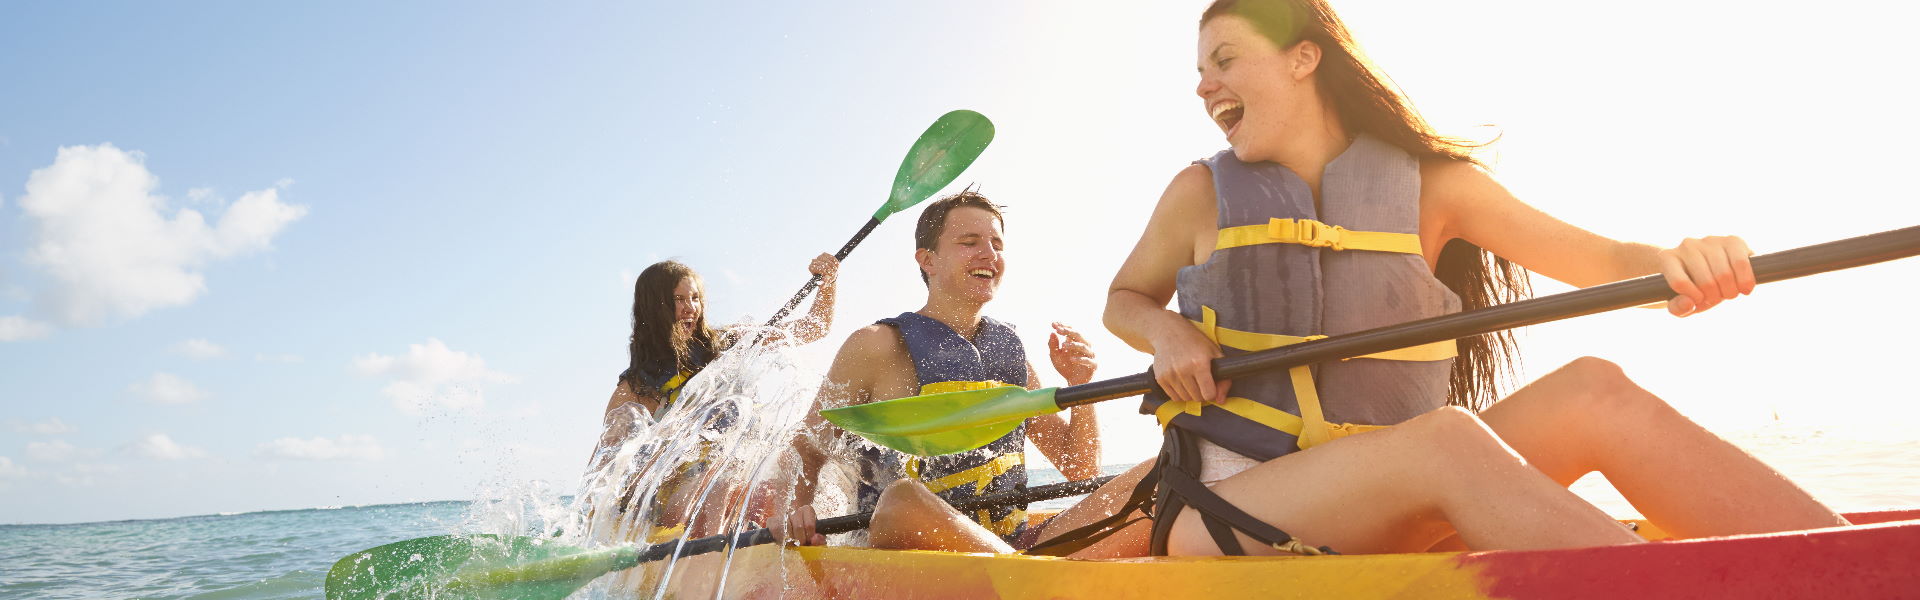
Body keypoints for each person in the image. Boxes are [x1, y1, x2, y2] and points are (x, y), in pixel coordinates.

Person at [1075, 0, 1850, 557]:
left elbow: (1609, 262)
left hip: (1403, 486)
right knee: (1446, 441)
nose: (1204, 86)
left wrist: (1680, 262)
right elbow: (1124, 298)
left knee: (1593, 391)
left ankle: (1857, 567)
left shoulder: (1432, 186)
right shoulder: (1199, 193)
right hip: (1232, 507)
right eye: (1200, 70)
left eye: (1224, 60)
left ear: (1303, 58)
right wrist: (1166, 332)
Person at [769, 190, 1105, 551]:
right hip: (911, 548)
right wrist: (795, 510)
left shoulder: (1013, 357)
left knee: (1145, 478)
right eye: (969, 242)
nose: (989, 254)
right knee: (902, 499)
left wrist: (1080, 385)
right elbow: (806, 446)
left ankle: (1017, 570)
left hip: (1010, 545)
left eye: (996, 244)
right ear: (928, 260)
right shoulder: (876, 345)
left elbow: (1081, 470)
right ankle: (1021, 572)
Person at [589, 255, 839, 535]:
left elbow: (814, 327)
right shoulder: (635, 388)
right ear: (655, 308)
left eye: (695, 298)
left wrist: (828, 282)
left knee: (769, 458)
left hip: (733, 472)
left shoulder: (724, 343)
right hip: (675, 493)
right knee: (704, 475)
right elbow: (603, 467)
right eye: (679, 299)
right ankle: (705, 544)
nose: (690, 308)